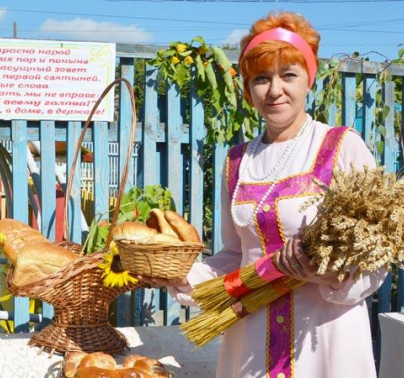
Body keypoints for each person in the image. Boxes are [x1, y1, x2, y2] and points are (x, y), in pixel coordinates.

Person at [140, 11, 387, 378]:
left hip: (324, 336)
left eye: (288, 75)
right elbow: (236, 254)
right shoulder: (237, 162)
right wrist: (183, 276)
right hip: (251, 336)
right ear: (247, 89)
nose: (274, 90)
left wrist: (328, 274)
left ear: (309, 80)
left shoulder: (340, 147)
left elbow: (376, 254)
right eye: (260, 79)